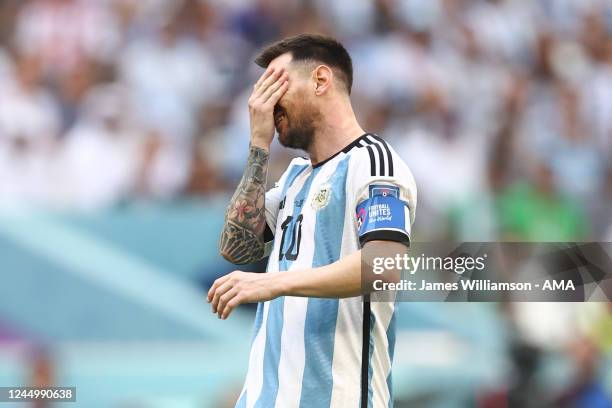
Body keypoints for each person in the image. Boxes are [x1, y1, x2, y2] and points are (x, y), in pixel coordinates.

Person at [207, 34, 417, 408]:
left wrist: (274, 282)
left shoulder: (373, 163)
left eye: (276, 85)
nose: (265, 103)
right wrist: (258, 145)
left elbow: (383, 266)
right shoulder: (294, 177)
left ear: (321, 80)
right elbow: (235, 246)